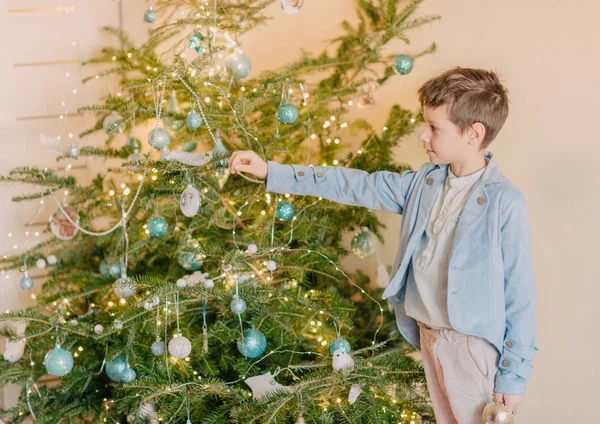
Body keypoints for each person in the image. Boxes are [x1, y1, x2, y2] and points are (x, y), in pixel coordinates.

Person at [228, 68, 537, 423]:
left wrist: (514, 375)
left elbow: (520, 294)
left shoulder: (504, 201)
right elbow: (353, 184)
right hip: (429, 338)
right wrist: (272, 171)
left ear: (474, 133)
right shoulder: (425, 182)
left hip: (471, 347)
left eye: (434, 127)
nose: (423, 135)